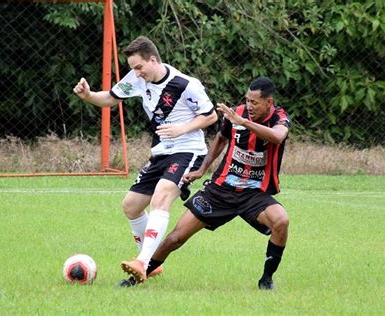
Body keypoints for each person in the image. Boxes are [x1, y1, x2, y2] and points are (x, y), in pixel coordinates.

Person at [73, 36, 218, 285]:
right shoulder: (139, 79)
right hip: (161, 152)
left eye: (139, 67)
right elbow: (110, 98)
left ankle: (144, 262)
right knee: (131, 206)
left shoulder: (186, 84)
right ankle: (150, 261)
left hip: (188, 150)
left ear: (153, 59)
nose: (136, 73)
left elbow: (210, 116)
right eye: (133, 68)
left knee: (161, 197)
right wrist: (88, 96)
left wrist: (182, 128)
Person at [122, 76, 290, 289]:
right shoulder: (235, 114)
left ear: (269, 102)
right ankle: (140, 273)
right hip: (220, 190)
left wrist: (245, 123)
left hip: (253, 194)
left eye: (254, 102)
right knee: (176, 238)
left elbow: (277, 137)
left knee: (281, 221)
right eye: (247, 100)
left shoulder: (279, 118)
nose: (249, 106)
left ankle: (266, 280)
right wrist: (202, 169)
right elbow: (221, 138)